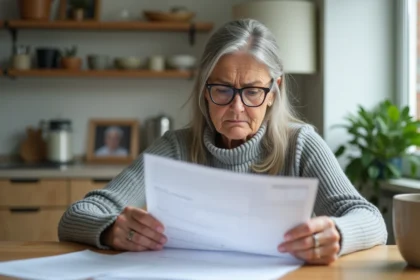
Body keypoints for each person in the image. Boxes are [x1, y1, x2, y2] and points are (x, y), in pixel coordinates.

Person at [59, 19, 387, 265]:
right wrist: (111, 229)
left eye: (253, 91)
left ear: (274, 92)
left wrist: (338, 234)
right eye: (223, 89)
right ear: (205, 89)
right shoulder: (176, 147)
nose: (237, 107)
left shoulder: (301, 144)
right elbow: (77, 214)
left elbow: (370, 219)